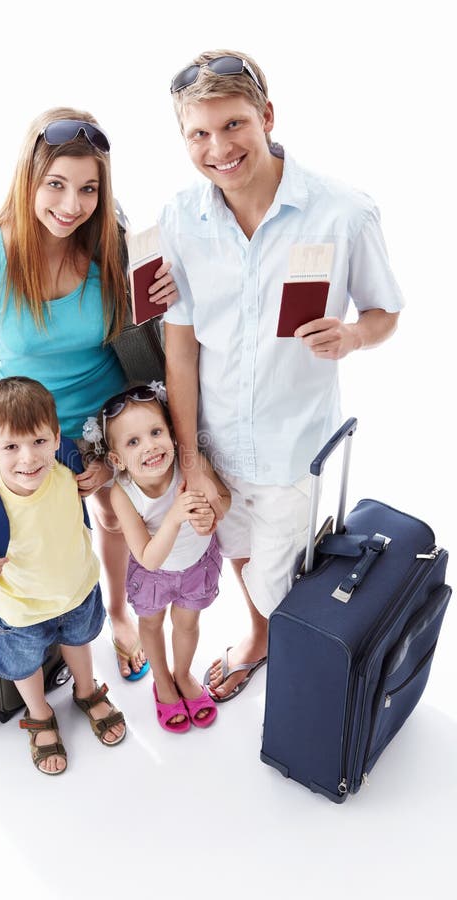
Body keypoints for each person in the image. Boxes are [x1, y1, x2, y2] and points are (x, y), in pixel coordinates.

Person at [160, 50, 404, 701]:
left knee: (280, 572)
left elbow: (386, 313)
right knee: (237, 551)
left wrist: (353, 334)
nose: (219, 148)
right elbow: (179, 348)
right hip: (213, 439)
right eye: (199, 134)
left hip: (295, 443)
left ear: (266, 116)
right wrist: (191, 459)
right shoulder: (181, 219)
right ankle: (262, 635)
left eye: (234, 124)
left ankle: (287, 648)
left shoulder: (343, 212)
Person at [0, 106, 177, 681]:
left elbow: (152, 339)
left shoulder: (110, 247)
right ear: (29, 177)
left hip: (104, 423)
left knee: (107, 513)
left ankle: (118, 614)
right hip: (27, 428)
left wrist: (171, 293)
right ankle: (42, 625)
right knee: (29, 528)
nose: (71, 205)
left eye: (88, 189)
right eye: (56, 184)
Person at [0, 376, 126, 774]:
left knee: (79, 642)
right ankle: (39, 714)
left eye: (39, 442)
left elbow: (108, 464)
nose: (28, 459)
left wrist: (102, 471)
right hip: (20, 610)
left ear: (56, 438)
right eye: (10, 447)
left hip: (76, 591)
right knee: (25, 666)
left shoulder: (67, 472)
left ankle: (86, 690)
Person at [92, 382, 230, 731]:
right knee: (151, 626)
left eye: (156, 432)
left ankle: (182, 674)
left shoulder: (190, 464)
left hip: (197, 567)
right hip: (154, 575)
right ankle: (163, 681)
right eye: (133, 441)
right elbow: (148, 558)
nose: (150, 446)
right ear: (117, 459)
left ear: (172, 433)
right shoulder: (123, 494)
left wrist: (210, 516)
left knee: (187, 624)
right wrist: (174, 516)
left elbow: (224, 499)